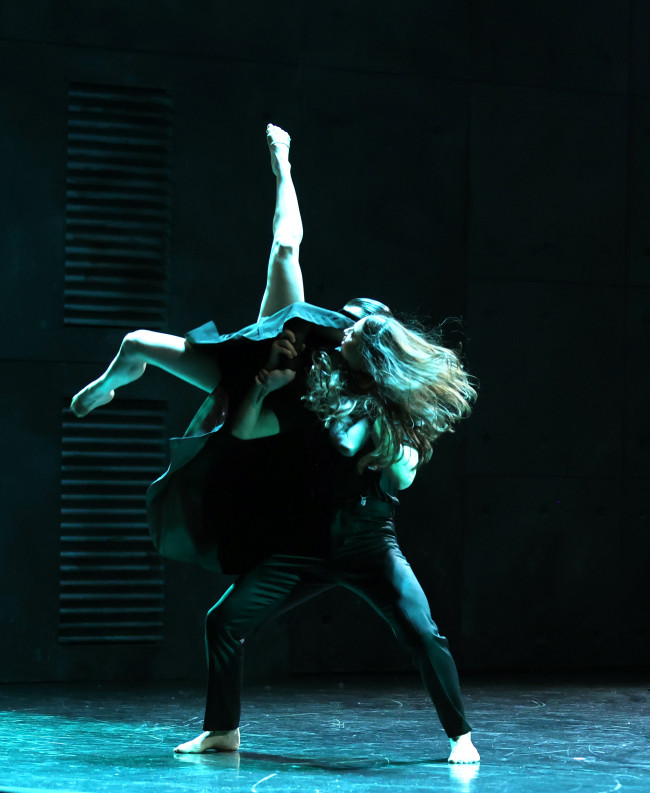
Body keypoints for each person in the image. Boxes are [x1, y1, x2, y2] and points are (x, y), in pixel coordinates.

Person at [70, 125, 480, 763]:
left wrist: (391, 456)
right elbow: (286, 246)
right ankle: (223, 730)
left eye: (350, 329)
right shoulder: (300, 365)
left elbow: (399, 476)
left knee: (421, 632)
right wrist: (282, 165)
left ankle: (462, 736)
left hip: (365, 541)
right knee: (223, 620)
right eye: (341, 326)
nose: (338, 330)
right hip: (296, 533)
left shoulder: (368, 401)